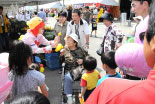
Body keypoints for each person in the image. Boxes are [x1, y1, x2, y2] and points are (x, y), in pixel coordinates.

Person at [85, 0, 155, 103]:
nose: (104, 22)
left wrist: (118, 46)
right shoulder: (107, 28)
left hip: (114, 52)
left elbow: (120, 35)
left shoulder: (109, 88)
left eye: (143, 38)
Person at [60, 33, 87, 103]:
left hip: (79, 69)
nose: (67, 42)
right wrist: (61, 55)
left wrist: (83, 61)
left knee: (85, 77)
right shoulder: (65, 49)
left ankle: (83, 95)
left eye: (70, 40)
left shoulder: (80, 50)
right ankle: (69, 97)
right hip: (69, 69)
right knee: (67, 77)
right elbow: (60, 61)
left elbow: (88, 59)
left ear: (75, 42)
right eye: (67, 40)